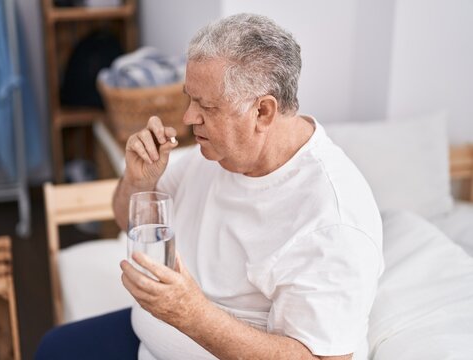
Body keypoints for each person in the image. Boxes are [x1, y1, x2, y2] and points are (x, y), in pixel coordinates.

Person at [36, 13, 383, 360]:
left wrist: (190, 314)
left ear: (262, 111)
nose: (188, 118)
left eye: (207, 106)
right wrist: (140, 180)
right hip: (149, 340)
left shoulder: (332, 220)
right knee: (52, 347)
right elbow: (127, 220)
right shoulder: (215, 152)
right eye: (190, 98)